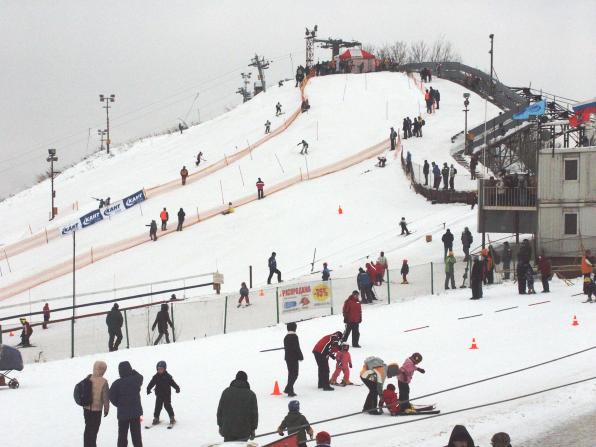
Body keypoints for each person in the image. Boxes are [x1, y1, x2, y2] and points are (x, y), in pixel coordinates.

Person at [217, 371, 258, 442]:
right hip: (244, 432)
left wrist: (220, 426)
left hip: (228, 430)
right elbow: (254, 414)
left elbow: (220, 411)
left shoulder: (226, 392)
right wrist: (253, 429)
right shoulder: (251, 395)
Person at [109, 361, 143, 447]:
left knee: (122, 436)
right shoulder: (136, 380)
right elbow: (140, 376)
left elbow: (111, 396)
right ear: (130, 369)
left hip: (122, 414)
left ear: (120, 371)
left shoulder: (117, 383)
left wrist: (119, 404)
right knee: (136, 436)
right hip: (135, 413)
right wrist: (133, 372)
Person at [83, 360, 110, 447]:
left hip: (86, 408)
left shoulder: (88, 377)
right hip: (97, 410)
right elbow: (105, 397)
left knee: (88, 428)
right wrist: (106, 409)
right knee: (94, 430)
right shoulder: (104, 381)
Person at [147, 360, 180, 426]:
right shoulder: (155, 377)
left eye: (161, 369)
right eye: (158, 369)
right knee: (158, 406)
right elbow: (151, 383)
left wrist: (177, 388)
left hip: (166, 394)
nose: (160, 370)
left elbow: (173, 383)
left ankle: (172, 417)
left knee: (167, 406)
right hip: (159, 394)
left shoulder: (168, 377)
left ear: (165, 369)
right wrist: (148, 389)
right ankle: (156, 418)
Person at [283, 322, 303, 397]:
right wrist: (300, 356)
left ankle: (289, 389)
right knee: (294, 374)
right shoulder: (294, 336)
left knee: (291, 374)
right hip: (293, 358)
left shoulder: (286, 337)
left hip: (288, 358)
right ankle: (289, 389)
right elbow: (296, 347)